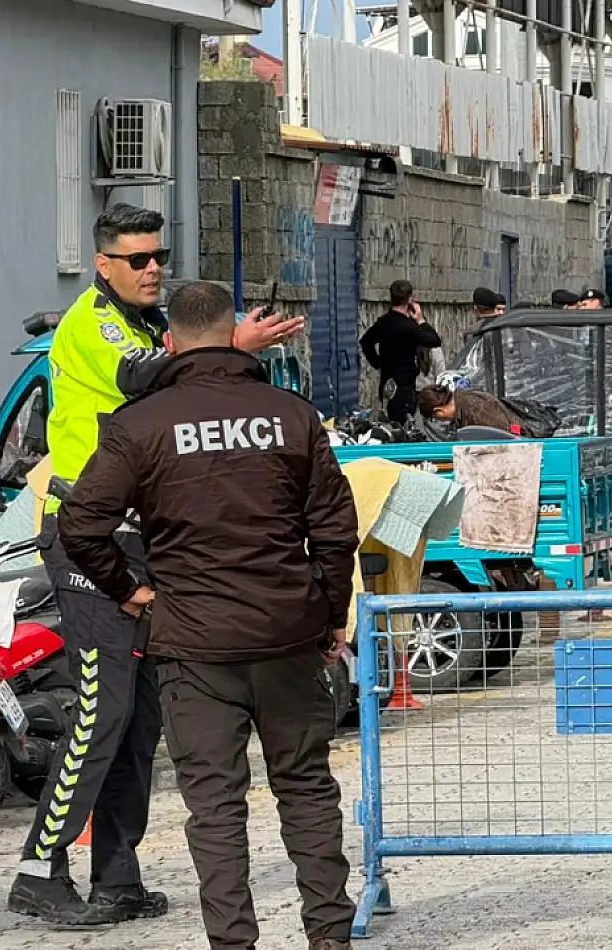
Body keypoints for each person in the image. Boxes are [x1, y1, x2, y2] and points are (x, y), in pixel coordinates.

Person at [9, 203, 304, 926]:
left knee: (140, 718)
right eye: (136, 259)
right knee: (99, 707)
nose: (151, 269)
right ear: (102, 263)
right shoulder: (91, 323)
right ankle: (37, 871)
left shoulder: (147, 323)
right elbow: (143, 378)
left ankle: (117, 873)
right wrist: (225, 342)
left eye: (157, 256)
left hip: (138, 537)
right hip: (84, 533)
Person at [57, 280, 360, 950]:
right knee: (307, 791)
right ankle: (330, 939)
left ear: (169, 343)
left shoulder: (140, 424)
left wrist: (130, 592)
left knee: (215, 809)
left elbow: (81, 525)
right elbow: (336, 530)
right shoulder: (293, 415)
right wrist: (330, 612)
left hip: (193, 646)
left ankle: (233, 943)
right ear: (233, 333)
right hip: (288, 633)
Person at [359, 279, 442, 424]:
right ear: (410, 300)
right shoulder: (410, 327)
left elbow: (365, 342)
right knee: (405, 426)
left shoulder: (383, 322)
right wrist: (420, 320)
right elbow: (434, 340)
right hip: (405, 387)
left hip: (387, 385)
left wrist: (378, 363)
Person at [417, 385, 525, 432]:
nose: (438, 421)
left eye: (434, 418)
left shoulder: (472, 408)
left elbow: (508, 431)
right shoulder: (463, 399)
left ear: (438, 411)